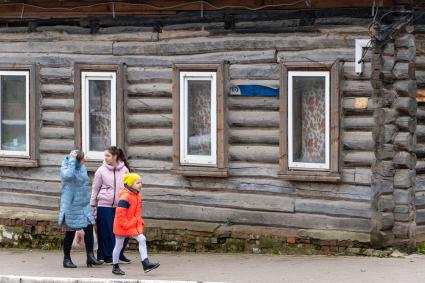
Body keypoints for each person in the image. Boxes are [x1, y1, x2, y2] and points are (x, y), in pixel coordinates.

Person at [58, 150, 104, 268]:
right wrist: (72, 161)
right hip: (71, 205)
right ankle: (66, 259)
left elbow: (84, 182)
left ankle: (90, 256)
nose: (85, 161)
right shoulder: (66, 166)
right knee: (70, 233)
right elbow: (68, 176)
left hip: (83, 203)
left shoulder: (82, 167)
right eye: (82, 159)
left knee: (89, 227)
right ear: (76, 160)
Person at [111, 173, 160, 275]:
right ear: (130, 184)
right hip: (122, 225)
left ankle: (146, 264)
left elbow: (137, 212)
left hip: (131, 225)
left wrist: (138, 222)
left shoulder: (137, 196)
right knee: (118, 246)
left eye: (141, 182)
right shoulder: (125, 197)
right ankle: (115, 267)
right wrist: (125, 225)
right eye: (138, 182)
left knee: (142, 239)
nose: (140, 184)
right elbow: (120, 214)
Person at [90, 146, 131, 263]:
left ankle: (119, 253)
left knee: (123, 230)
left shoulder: (125, 170)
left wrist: (129, 202)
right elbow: (95, 189)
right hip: (104, 205)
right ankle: (105, 256)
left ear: (115, 156)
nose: (105, 158)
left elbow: (128, 188)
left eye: (108, 155)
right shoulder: (100, 171)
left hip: (121, 205)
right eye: (105, 156)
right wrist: (92, 205)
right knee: (105, 231)